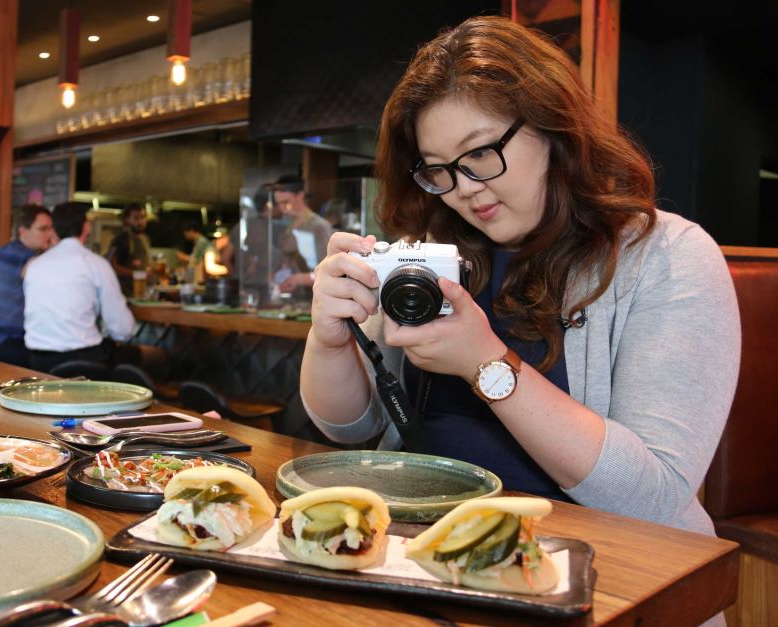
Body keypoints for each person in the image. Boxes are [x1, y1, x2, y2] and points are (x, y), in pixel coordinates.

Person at [301, 15, 740, 546]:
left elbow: (653, 497)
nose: (463, 188)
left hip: (595, 558)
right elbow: (351, 427)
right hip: (415, 542)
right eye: (438, 169)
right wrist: (328, 340)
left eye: (480, 153)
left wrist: (484, 363)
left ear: (553, 126)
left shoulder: (667, 256)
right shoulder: (437, 253)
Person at [23, 202, 137, 373]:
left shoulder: (35, 265)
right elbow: (123, 330)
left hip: (38, 362)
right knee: (154, 358)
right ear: (87, 227)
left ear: (54, 230)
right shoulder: (97, 264)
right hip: (84, 363)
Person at [0, 204, 55, 367]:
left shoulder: (4, 251)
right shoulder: (27, 259)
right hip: (1, 341)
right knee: (50, 361)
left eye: (51, 229)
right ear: (23, 232)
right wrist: (57, 249)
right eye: (43, 229)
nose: (50, 235)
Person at [272, 175, 333, 295]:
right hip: (295, 297)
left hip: (318, 296)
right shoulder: (289, 227)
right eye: (278, 203)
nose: (282, 208)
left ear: (300, 195)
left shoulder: (319, 226)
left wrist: (298, 279)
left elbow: (329, 270)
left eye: (286, 202)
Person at [106, 203, 153, 295]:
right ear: (127, 220)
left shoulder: (145, 239)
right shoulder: (121, 239)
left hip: (141, 292)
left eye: (143, 217)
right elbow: (110, 265)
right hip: (123, 293)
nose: (140, 222)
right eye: (136, 218)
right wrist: (134, 273)